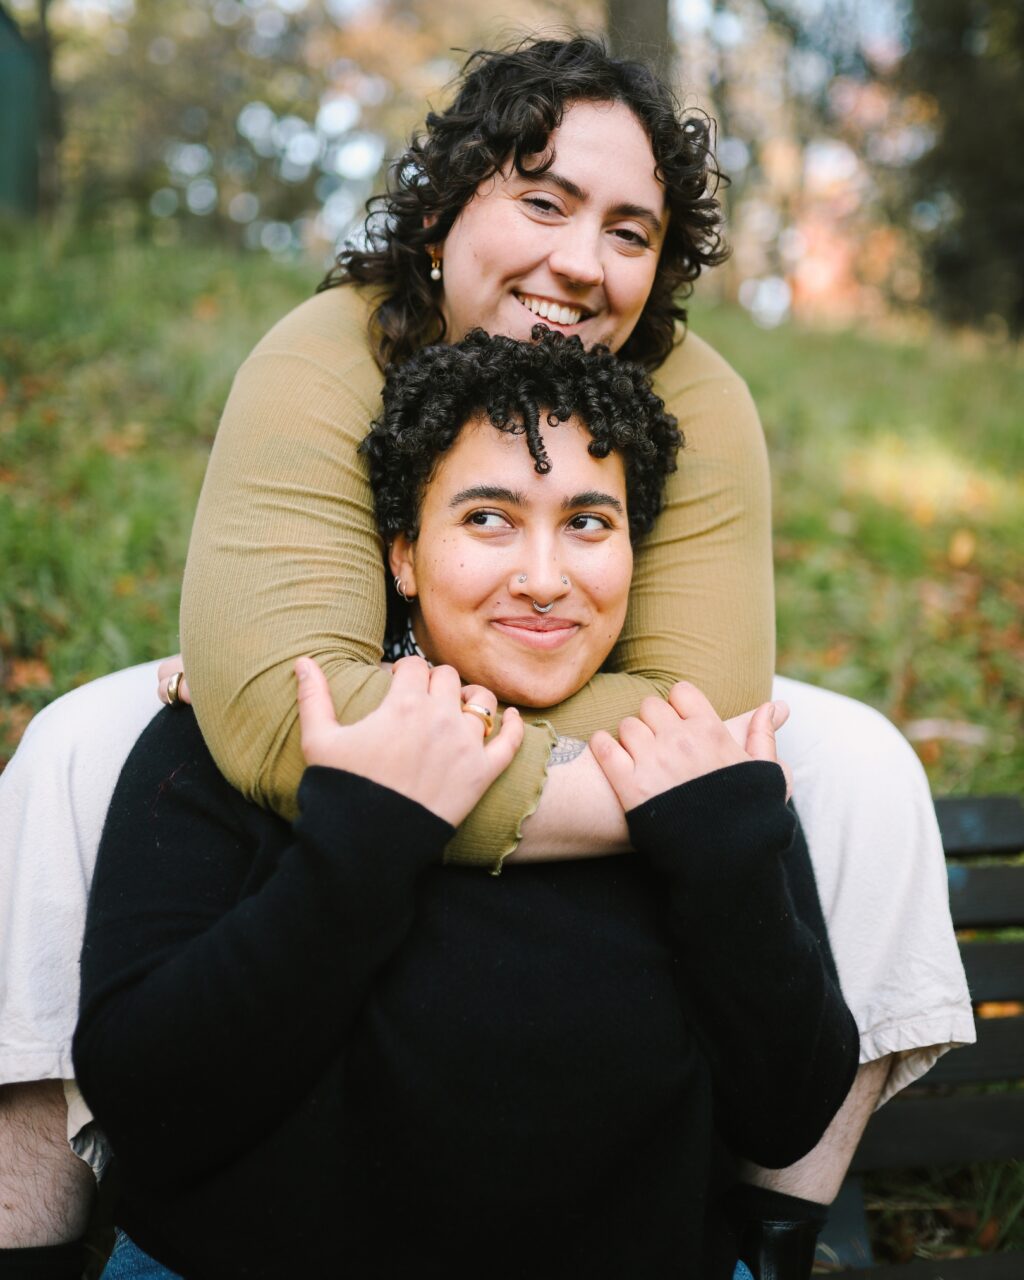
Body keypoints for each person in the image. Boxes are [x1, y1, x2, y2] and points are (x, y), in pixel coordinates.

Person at [0, 34, 971, 1280]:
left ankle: (770, 1224)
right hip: (344, 681)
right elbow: (268, 701)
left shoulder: (694, 391)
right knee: (84, 734)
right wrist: (390, 795)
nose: (580, 261)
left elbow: (696, 691)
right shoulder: (325, 352)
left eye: (630, 229)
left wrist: (698, 810)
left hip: (564, 712)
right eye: (542, 198)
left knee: (849, 758)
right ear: (448, 206)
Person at [73, 330, 860, 1280]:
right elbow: (147, 1103)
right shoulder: (244, 741)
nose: (543, 576)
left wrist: (725, 856)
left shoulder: (691, 774)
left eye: (588, 523)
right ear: (403, 556)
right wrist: (361, 840)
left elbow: (786, 1113)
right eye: (488, 519)